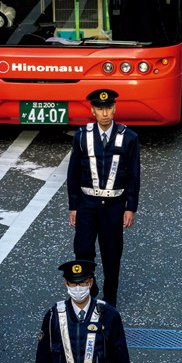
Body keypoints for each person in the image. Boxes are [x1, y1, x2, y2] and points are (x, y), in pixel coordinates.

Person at [66, 88, 140, 306]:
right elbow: (73, 174)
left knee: (112, 253)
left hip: (115, 205)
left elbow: (134, 175)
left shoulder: (129, 138)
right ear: (93, 110)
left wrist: (130, 207)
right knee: (82, 249)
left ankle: (111, 300)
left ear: (115, 108)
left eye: (108, 108)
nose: (105, 113)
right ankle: (91, 288)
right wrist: (73, 206)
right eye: (100, 109)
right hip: (87, 203)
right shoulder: (82, 136)